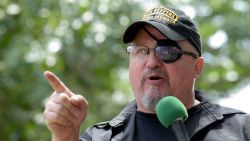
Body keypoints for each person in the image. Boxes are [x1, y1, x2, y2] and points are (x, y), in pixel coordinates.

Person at [43, 5, 250, 141]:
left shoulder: (241, 130)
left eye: (167, 51)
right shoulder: (101, 138)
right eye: (141, 51)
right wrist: (64, 136)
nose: (152, 62)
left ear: (197, 67)